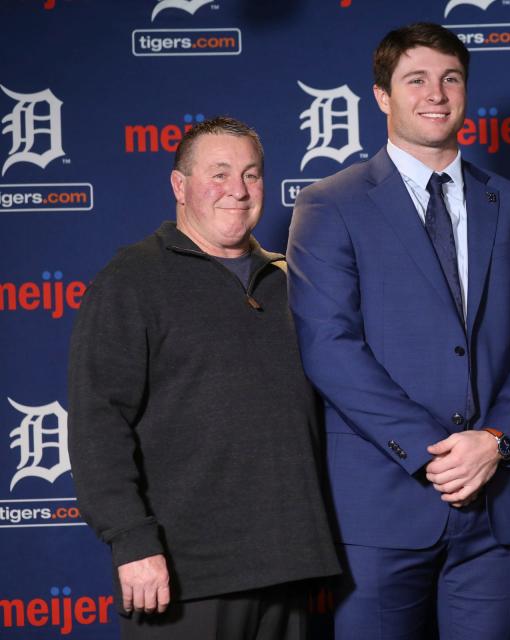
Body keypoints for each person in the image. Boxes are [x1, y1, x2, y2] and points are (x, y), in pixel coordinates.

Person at [286, 22, 510, 640]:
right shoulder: (330, 204)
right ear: (382, 97)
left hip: (501, 505)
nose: (436, 93)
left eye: (450, 78)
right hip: (383, 509)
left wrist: (494, 439)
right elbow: (330, 348)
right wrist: (435, 455)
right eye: (416, 79)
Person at [67, 116, 340, 639]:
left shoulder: (291, 282)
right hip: (183, 575)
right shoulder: (131, 281)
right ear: (180, 185)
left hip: (289, 566)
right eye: (219, 173)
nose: (237, 190)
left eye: (252, 175)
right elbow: (98, 425)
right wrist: (132, 542)